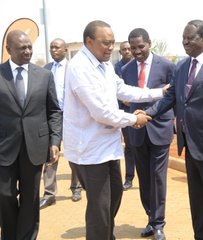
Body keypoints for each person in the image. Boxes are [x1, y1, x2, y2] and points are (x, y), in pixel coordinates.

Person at [63, 20, 167, 240]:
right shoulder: (80, 67)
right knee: (100, 207)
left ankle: (106, 235)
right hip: (89, 150)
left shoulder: (105, 64)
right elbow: (100, 112)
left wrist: (159, 93)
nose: (111, 47)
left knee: (114, 197)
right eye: (105, 43)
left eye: (112, 43)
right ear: (89, 42)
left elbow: (123, 90)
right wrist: (134, 119)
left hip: (107, 147)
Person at [146, 19, 203, 239]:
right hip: (190, 146)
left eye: (190, 38)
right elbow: (170, 98)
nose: (185, 42)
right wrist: (147, 114)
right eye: (183, 38)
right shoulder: (181, 66)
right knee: (197, 203)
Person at [0, 30, 62, 239]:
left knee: (30, 197)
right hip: (4, 148)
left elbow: (54, 111)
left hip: (35, 146)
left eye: (29, 47)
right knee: (4, 195)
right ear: (8, 49)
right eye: (22, 48)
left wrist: (55, 141)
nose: (27, 51)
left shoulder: (44, 75)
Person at [121, 28, 175, 240]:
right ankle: (151, 219)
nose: (137, 51)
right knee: (144, 177)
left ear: (149, 43)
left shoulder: (168, 66)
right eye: (133, 48)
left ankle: (159, 223)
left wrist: (177, 122)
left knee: (158, 177)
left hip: (160, 128)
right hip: (136, 130)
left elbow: (172, 96)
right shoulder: (125, 70)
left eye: (140, 47)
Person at [40, 38, 82, 210]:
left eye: (57, 47)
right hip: (51, 116)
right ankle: (49, 194)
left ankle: (76, 187)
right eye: (51, 48)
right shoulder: (45, 70)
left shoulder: (73, 68)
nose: (53, 50)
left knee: (73, 152)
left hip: (71, 116)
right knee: (50, 153)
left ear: (65, 50)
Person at [114, 41, 136, 190]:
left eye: (129, 49)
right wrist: (123, 100)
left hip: (139, 110)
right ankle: (129, 178)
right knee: (129, 146)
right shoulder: (115, 68)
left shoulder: (138, 66)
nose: (127, 51)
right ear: (120, 52)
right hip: (124, 111)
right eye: (124, 50)